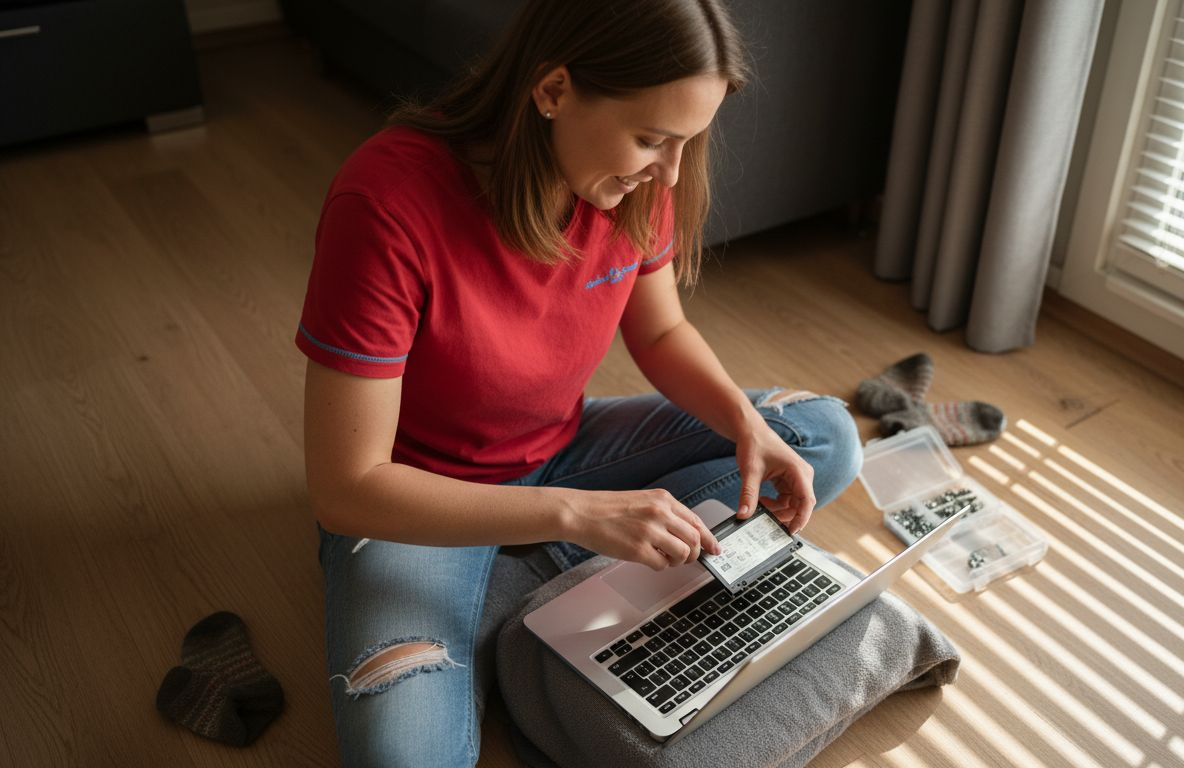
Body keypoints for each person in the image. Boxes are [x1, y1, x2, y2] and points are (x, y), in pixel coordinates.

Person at [295, 0, 863, 764]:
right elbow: (347, 486)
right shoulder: (387, 203)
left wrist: (741, 422)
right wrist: (572, 515)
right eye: (652, 139)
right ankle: (527, 593)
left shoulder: (635, 181)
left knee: (820, 436)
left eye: (688, 142)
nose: (670, 172)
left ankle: (520, 592)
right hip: (416, 495)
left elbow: (660, 333)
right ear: (554, 90)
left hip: (561, 447)